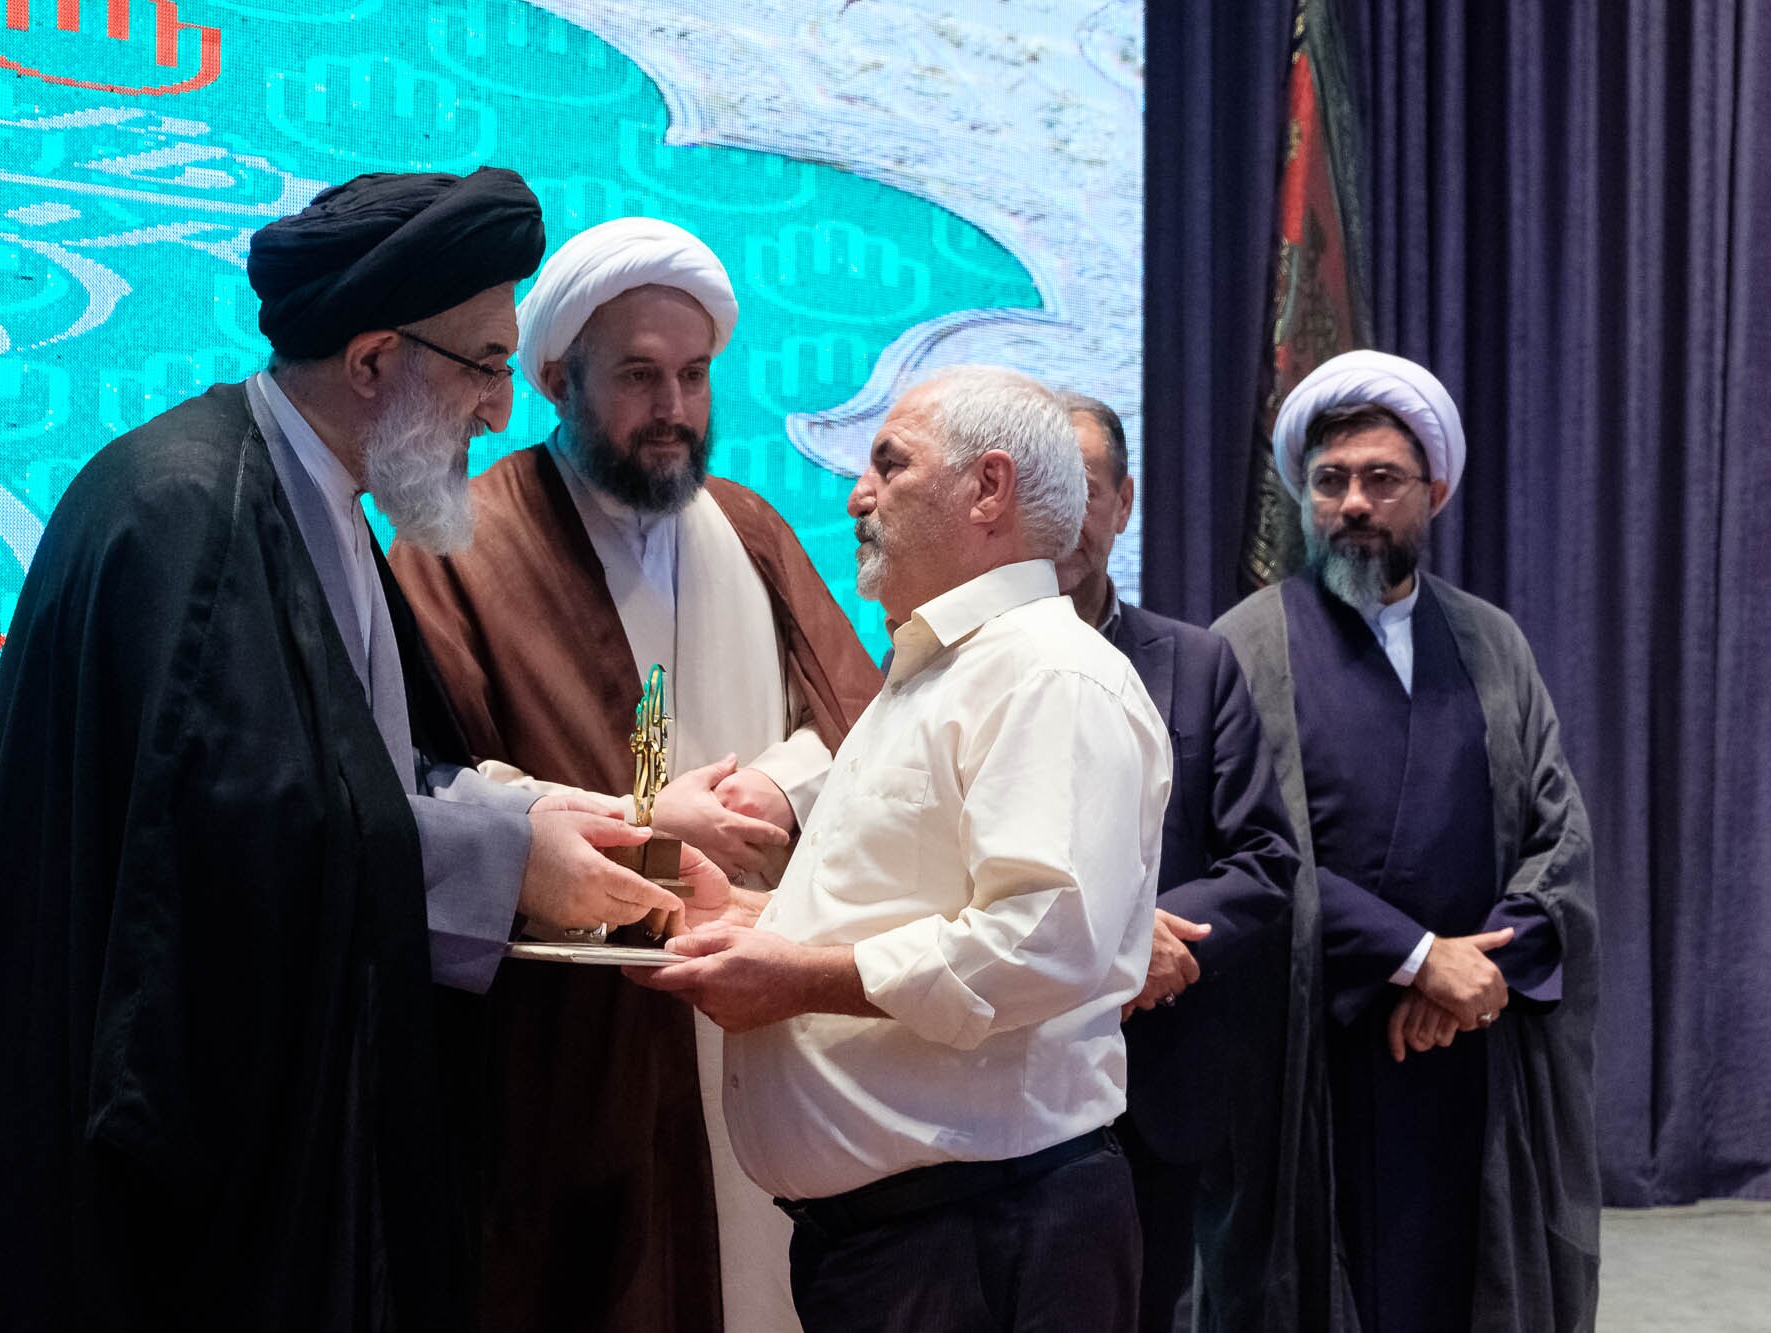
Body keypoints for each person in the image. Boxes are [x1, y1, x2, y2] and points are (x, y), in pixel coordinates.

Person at [0, 171, 691, 1333]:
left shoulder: (303, 492)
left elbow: (352, 769)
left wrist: (528, 818)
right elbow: (221, 864)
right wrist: (506, 864)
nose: (501, 412)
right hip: (134, 1219)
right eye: (487, 365)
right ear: (374, 360)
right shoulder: (188, 514)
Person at [389, 216, 881, 1333]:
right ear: (556, 379)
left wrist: (781, 791)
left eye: (693, 376)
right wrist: (647, 824)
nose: (672, 407)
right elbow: (420, 783)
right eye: (638, 376)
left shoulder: (748, 527)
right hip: (568, 1051)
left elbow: (861, 726)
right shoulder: (458, 545)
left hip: (752, 999)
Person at [632, 366, 1172, 1332]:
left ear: (988, 488)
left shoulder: (1050, 675)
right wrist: (756, 918)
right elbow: (908, 904)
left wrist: (798, 978)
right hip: (918, 1246)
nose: (857, 494)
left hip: (988, 1241)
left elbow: (1037, 943)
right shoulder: (933, 672)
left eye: (890, 463)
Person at [1214, 350, 1600, 1332]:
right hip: (1317, 1049)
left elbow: (1557, 839)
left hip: (1469, 1041)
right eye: (1329, 481)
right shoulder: (1244, 647)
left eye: (1380, 479)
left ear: (1433, 491)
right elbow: (1250, 852)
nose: (1352, 503)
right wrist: (1416, 957)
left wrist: (1474, 975)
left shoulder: (1492, 642)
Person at [1054, 393, 1299, 1333]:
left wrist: (1156, 939)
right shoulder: (952, 665)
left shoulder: (1198, 665)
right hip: (1000, 1081)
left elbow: (1264, 858)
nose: (1064, 512)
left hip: (1155, 1076)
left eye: (1085, 488)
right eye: (1042, 486)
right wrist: (1110, 939)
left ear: (1124, 502)